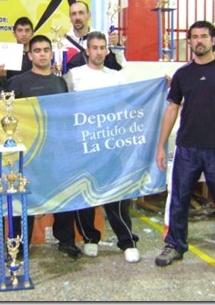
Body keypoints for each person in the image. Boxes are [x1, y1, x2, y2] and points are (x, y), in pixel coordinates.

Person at [154, 20, 215, 276]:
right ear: (190, 41)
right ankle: (174, 245)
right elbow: (172, 108)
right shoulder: (183, 75)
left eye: (204, 36)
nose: (199, 41)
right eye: (194, 37)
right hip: (186, 149)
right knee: (179, 199)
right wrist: (161, 145)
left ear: (213, 40)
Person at [62, 31, 140, 263]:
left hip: (109, 145)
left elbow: (133, 99)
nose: (98, 52)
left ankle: (127, 241)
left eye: (102, 47)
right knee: (84, 194)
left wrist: (159, 86)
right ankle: (90, 238)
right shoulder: (73, 76)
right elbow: (62, 107)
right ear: (86, 51)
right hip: (82, 146)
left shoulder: (115, 77)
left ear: (107, 50)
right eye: (94, 47)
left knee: (116, 196)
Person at [7, 34, 81, 259]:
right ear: (29, 55)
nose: (42, 54)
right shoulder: (18, 82)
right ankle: (20, 245)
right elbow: (7, 114)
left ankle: (66, 241)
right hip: (29, 152)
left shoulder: (59, 82)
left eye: (45, 50)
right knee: (26, 197)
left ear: (51, 53)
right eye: (37, 50)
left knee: (63, 198)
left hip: (58, 150)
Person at [64, 0, 127, 72]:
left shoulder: (104, 37)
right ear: (70, 17)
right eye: (74, 14)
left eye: (81, 13)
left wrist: (115, 47)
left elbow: (121, 65)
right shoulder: (63, 43)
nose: (77, 17)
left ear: (89, 15)